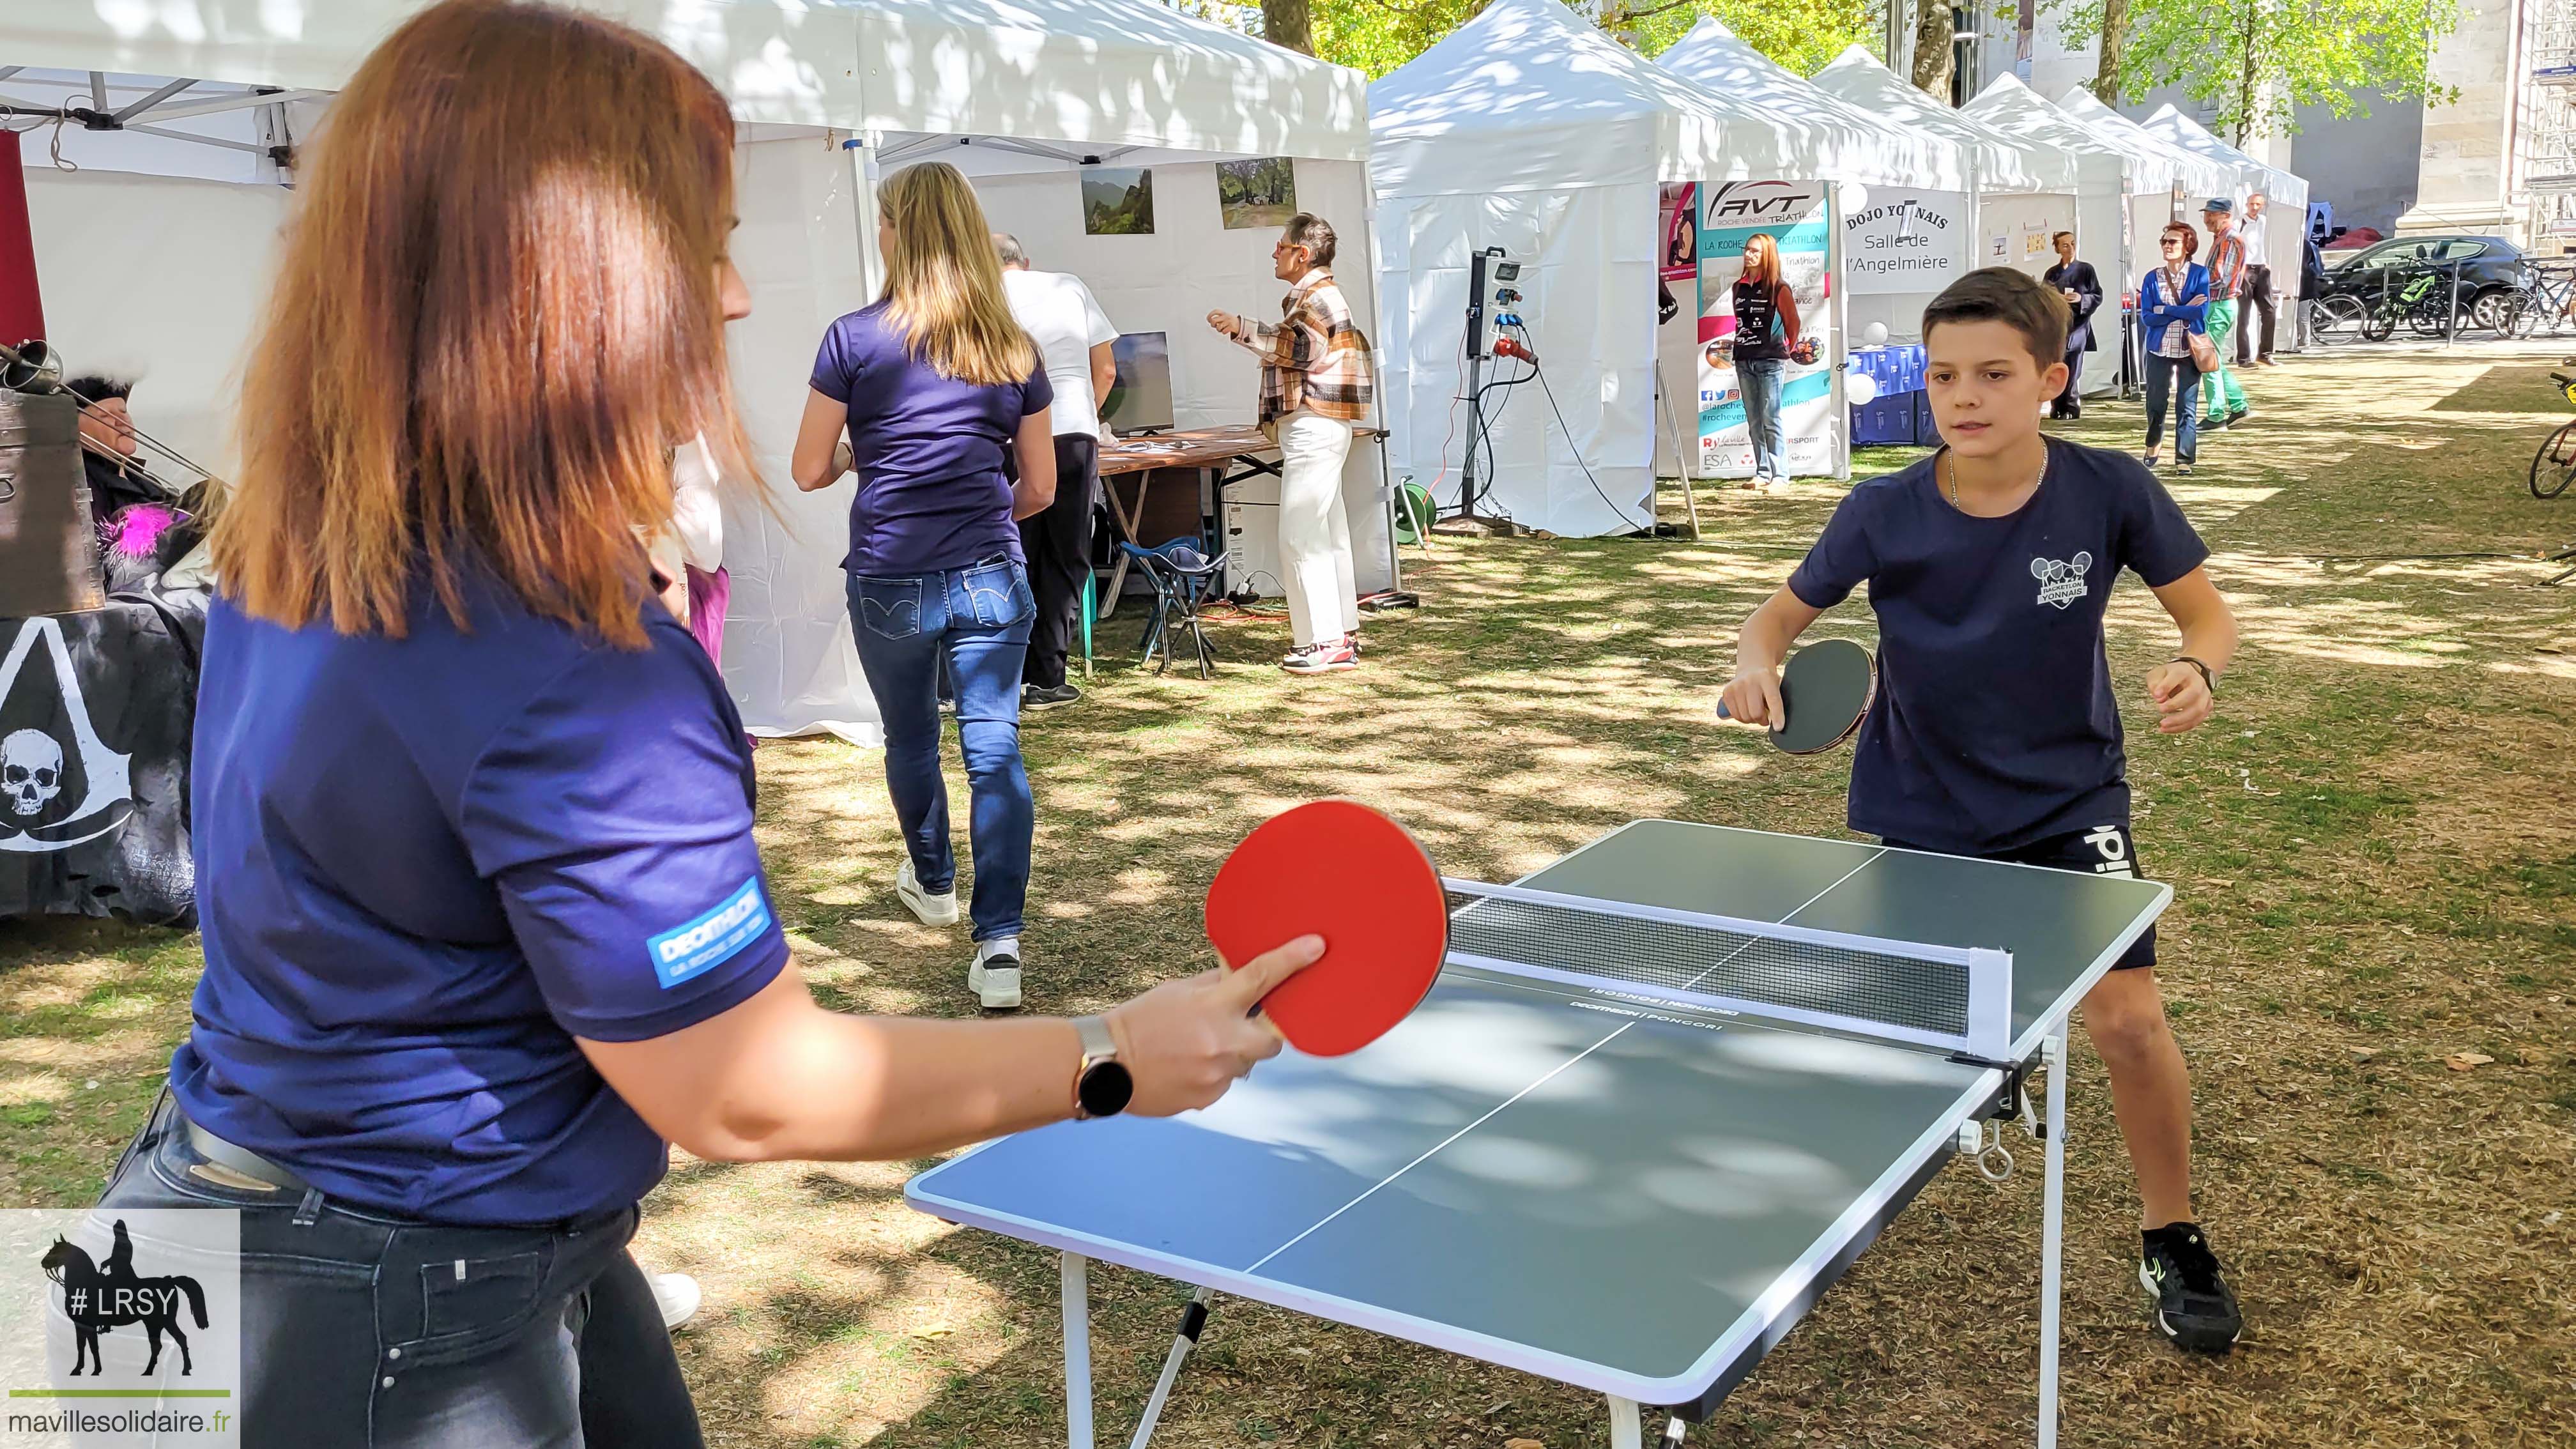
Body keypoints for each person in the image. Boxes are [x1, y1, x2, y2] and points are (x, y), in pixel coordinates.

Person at [90, 10, 1317, 1446]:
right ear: (562, 275)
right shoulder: (569, 659)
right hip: (394, 1279)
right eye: (705, 243)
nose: (735, 297)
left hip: (194, 1196)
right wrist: (1109, 1054)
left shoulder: (300, 536)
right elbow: (742, 1087)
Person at [1719, 265, 2244, 1358]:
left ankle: (2170, 1232)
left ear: (2049, 380)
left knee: (2128, 1024)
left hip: (2070, 799)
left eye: (1994, 374)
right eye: (1944, 373)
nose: (1965, 396)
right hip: (1924, 800)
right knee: (1917, 1027)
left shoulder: (2109, 491)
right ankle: (1975, 1085)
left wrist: (2197, 667)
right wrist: (1753, 668)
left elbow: (2208, 618)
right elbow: (1770, 622)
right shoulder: (1881, 511)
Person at [793, 162, 1058, 1011]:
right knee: (995, 750)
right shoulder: (1012, 345)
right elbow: (1043, 488)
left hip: (890, 574)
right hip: (989, 572)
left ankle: (935, 884)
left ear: (898, 231)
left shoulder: (852, 338)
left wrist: (857, 456)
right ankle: (1001, 947)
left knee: (909, 739)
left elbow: (806, 470)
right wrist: (986, 519)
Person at [1206, 213, 1374, 675]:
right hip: (1322, 424)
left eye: (1280, 246)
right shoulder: (1322, 296)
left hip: (1313, 424)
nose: (1274, 253)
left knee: (1300, 535)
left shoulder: (1316, 298)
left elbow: (1298, 349)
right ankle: (1340, 634)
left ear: (1303, 254)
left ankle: (1323, 641)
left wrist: (1241, 326)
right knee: (1325, 533)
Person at [995, 232, 1118, 710]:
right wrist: (1085, 411)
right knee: (1067, 553)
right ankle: (1049, 676)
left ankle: (1006, 671)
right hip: (1071, 430)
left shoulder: (979, 296)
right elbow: (1105, 370)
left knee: (1012, 551)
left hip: (1009, 434)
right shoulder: (1068, 286)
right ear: (1026, 262)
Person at [1729, 233, 1802, 489]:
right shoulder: (1738, 287)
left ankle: (1780, 475)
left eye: (1755, 251)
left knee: (1771, 417)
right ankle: (1762, 472)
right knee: (1754, 419)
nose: (1748, 254)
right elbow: (1739, 322)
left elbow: (1793, 322)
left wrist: (1786, 349)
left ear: (1767, 256)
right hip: (1743, 359)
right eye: (1747, 249)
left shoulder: (1778, 288)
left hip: (1771, 361)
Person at [2139, 222, 2212, 475]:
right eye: (2164, 242)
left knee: (2187, 404)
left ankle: (2184, 458)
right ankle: (2153, 443)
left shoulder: (2200, 274)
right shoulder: (2152, 277)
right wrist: (2181, 310)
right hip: (2159, 348)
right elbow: (2147, 317)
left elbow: (2201, 311)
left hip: (2190, 348)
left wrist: (2165, 309)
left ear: (2187, 246)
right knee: (2156, 402)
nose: (2167, 246)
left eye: (2173, 242)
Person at [65, 374, 173, 525]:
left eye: (123, 411)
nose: (122, 421)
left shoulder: (145, 481)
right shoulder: (81, 488)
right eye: (105, 415)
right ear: (78, 431)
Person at [2198, 199, 2251, 431]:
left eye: (2212, 215)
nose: (2207, 219)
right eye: (2207, 214)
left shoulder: (2230, 240)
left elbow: (2221, 277)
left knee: (2208, 360)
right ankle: (2238, 406)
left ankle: (2217, 414)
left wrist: (2192, 284)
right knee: (2213, 359)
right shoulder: (2223, 239)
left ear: (2227, 216)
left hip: (2220, 304)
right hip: (2219, 304)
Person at [2043, 231, 2103, 420]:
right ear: (2058, 249)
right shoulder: (2052, 273)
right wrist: (2057, 298)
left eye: (2073, 243)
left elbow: (2097, 295)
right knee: (2057, 364)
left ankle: (2071, 406)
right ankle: (2057, 405)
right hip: (2058, 326)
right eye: (2065, 245)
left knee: (2074, 366)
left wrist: (2081, 298)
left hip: (2079, 325)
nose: (2070, 248)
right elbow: (2042, 296)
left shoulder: (2086, 270)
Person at [2236, 192, 2278, 368]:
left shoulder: (2263, 221)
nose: (2254, 208)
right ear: (2247, 204)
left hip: (2260, 268)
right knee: (2244, 315)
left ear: (2263, 205)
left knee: (2270, 311)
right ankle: (2244, 358)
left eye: (2258, 205)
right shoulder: (2239, 222)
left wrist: (2265, 261)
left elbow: (2259, 243)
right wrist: (2240, 267)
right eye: (2252, 204)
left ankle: (2265, 353)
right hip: (2246, 269)